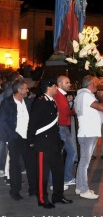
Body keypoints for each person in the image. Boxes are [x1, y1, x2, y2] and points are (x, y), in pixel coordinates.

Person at [27, 78, 73, 209]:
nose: (56, 88)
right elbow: (33, 123)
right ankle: (42, 199)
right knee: (43, 174)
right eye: (55, 86)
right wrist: (31, 141)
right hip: (43, 143)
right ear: (49, 87)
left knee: (58, 171)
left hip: (54, 143)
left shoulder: (51, 101)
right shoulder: (40, 102)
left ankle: (58, 196)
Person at [74, 75, 103, 199]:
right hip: (88, 133)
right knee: (85, 163)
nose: (97, 87)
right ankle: (84, 190)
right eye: (96, 84)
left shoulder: (82, 95)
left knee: (83, 162)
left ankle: (80, 187)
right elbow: (102, 108)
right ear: (91, 85)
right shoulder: (85, 95)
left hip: (88, 132)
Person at [0, 79, 36, 200]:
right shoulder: (7, 103)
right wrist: (13, 136)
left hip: (28, 137)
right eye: (25, 88)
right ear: (19, 90)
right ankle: (15, 191)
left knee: (31, 163)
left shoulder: (27, 101)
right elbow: (3, 122)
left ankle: (33, 189)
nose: (27, 90)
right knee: (15, 164)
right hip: (15, 137)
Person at [52, 76, 77, 186]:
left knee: (71, 152)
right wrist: (74, 110)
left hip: (63, 127)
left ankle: (67, 177)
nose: (69, 84)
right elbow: (64, 113)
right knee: (58, 155)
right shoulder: (58, 95)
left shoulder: (61, 95)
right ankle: (55, 182)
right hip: (61, 127)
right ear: (60, 84)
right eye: (67, 82)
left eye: (69, 82)